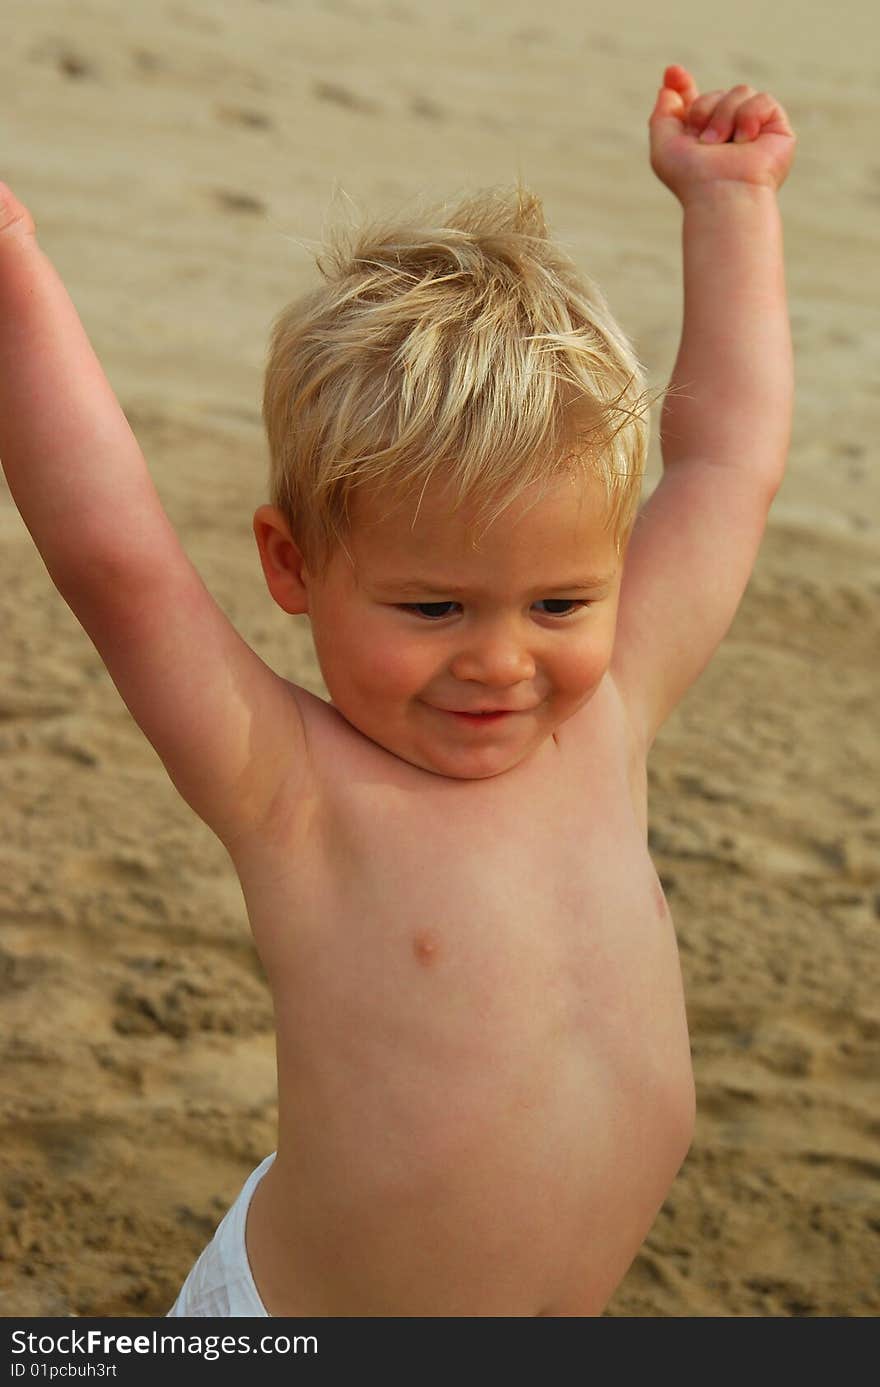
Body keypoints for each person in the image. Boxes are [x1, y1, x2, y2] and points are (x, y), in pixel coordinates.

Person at [0, 64, 795, 1316]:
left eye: (559, 605)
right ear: (293, 566)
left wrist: (729, 202)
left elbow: (726, 462)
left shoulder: (611, 708)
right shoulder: (293, 789)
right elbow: (119, 565)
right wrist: (8, 266)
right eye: (433, 608)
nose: (499, 659)